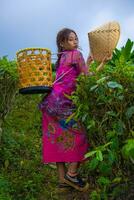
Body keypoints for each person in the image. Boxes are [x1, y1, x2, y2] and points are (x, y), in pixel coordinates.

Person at [39, 28, 111, 192]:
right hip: (63, 104)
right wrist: (103, 63)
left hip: (50, 104)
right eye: (71, 39)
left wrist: (90, 62)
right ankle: (71, 175)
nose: (75, 42)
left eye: (76, 39)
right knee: (80, 137)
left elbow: (75, 76)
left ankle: (63, 182)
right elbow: (86, 78)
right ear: (62, 43)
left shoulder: (62, 57)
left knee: (57, 140)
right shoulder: (76, 54)